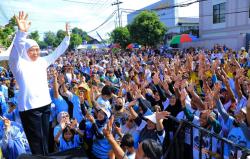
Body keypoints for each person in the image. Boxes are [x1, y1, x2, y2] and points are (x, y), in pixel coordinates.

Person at [9, 11, 70, 155]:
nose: (36, 53)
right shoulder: (18, 64)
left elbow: (57, 52)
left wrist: (67, 37)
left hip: (45, 105)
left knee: (46, 139)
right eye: (32, 50)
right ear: (25, 50)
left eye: (37, 50)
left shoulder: (42, 62)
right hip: (30, 109)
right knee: (36, 142)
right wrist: (21, 33)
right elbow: (14, 52)